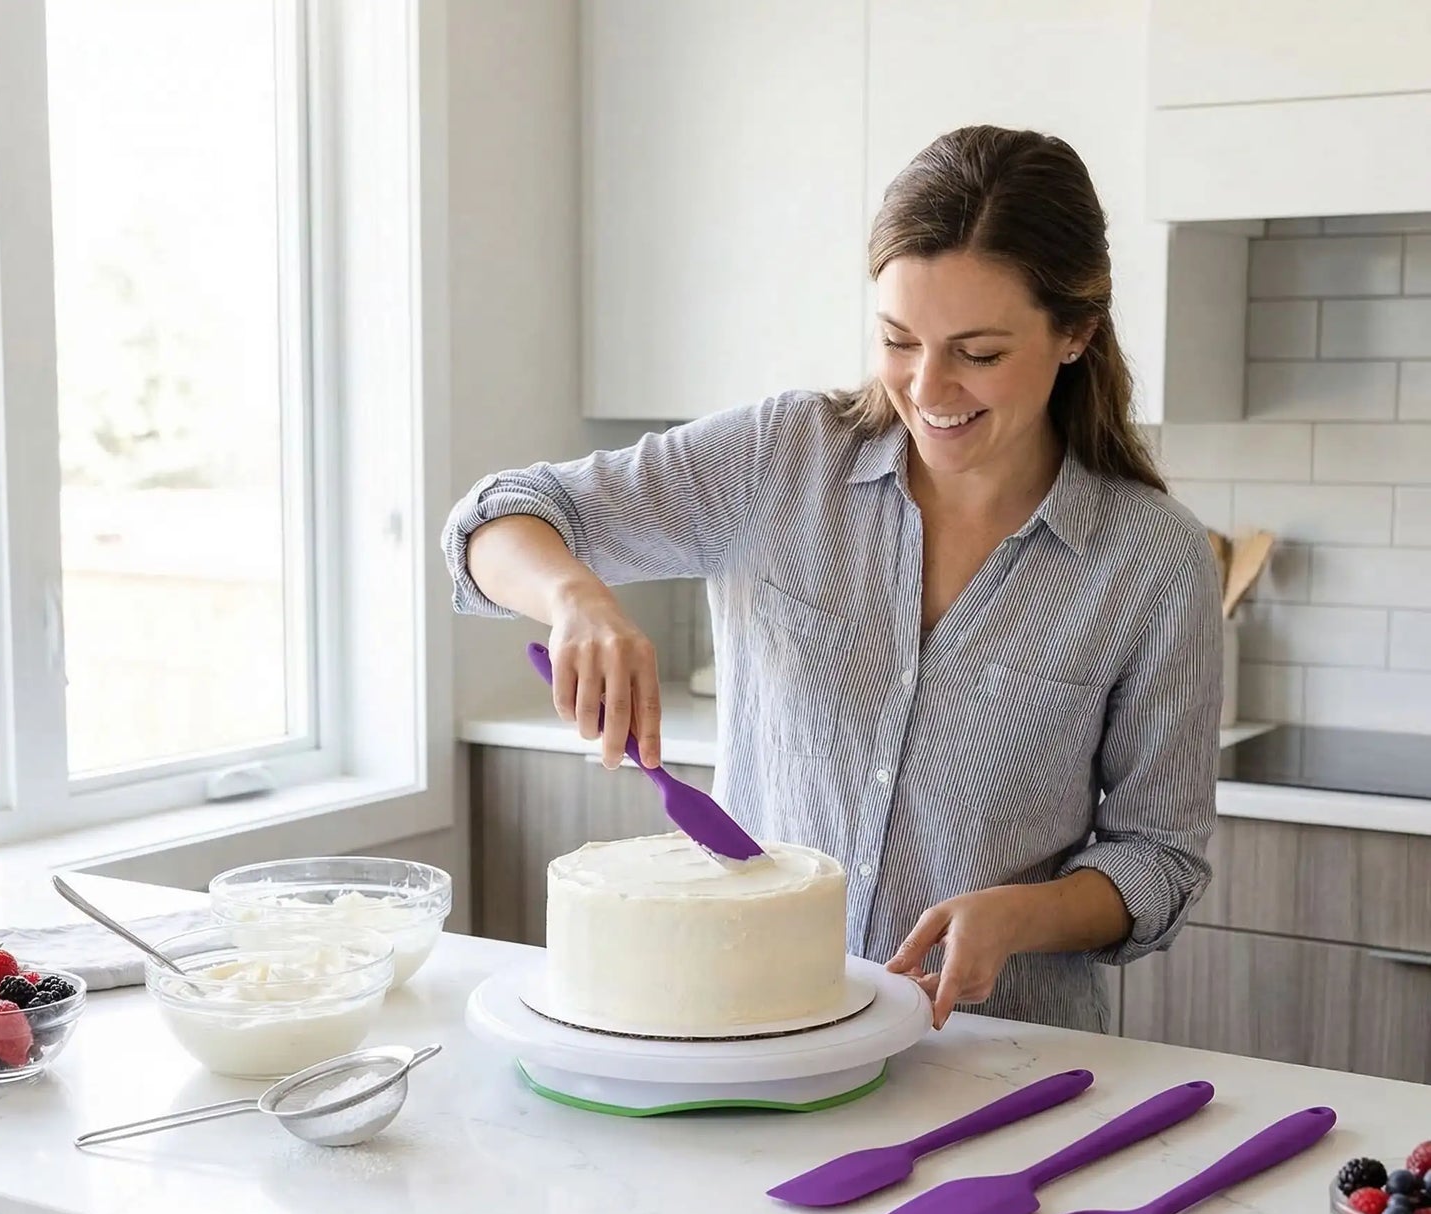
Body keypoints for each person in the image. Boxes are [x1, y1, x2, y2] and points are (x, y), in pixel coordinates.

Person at [441, 124, 1222, 1035]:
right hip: (751, 1032)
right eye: (898, 339)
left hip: (995, 1049)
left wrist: (1025, 914)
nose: (926, 387)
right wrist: (575, 599)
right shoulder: (779, 458)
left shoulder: (1151, 560)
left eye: (977, 353)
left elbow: (1158, 857)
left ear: (1075, 333)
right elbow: (493, 520)